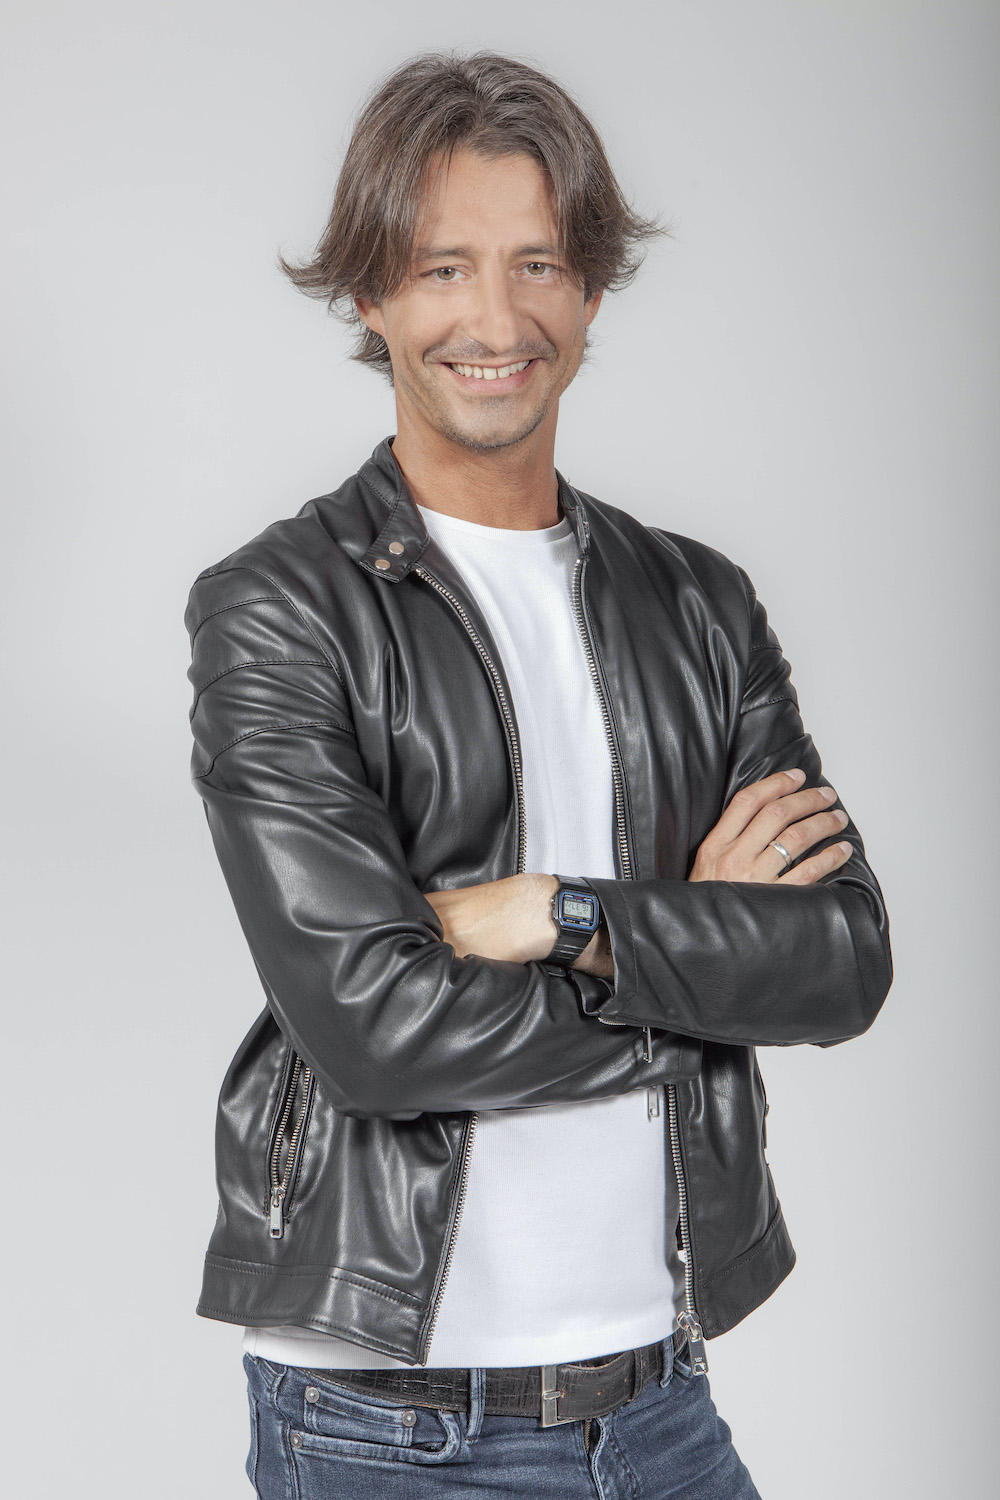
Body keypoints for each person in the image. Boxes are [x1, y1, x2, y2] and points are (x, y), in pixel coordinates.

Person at [185, 51, 892, 1500]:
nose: (496, 321)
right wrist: (695, 961)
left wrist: (563, 915)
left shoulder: (700, 605)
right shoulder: (281, 609)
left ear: (592, 292)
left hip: (659, 1400)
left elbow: (842, 961)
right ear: (371, 293)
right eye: (443, 268)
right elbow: (376, 1033)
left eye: (540, 265)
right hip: (389, 1426)